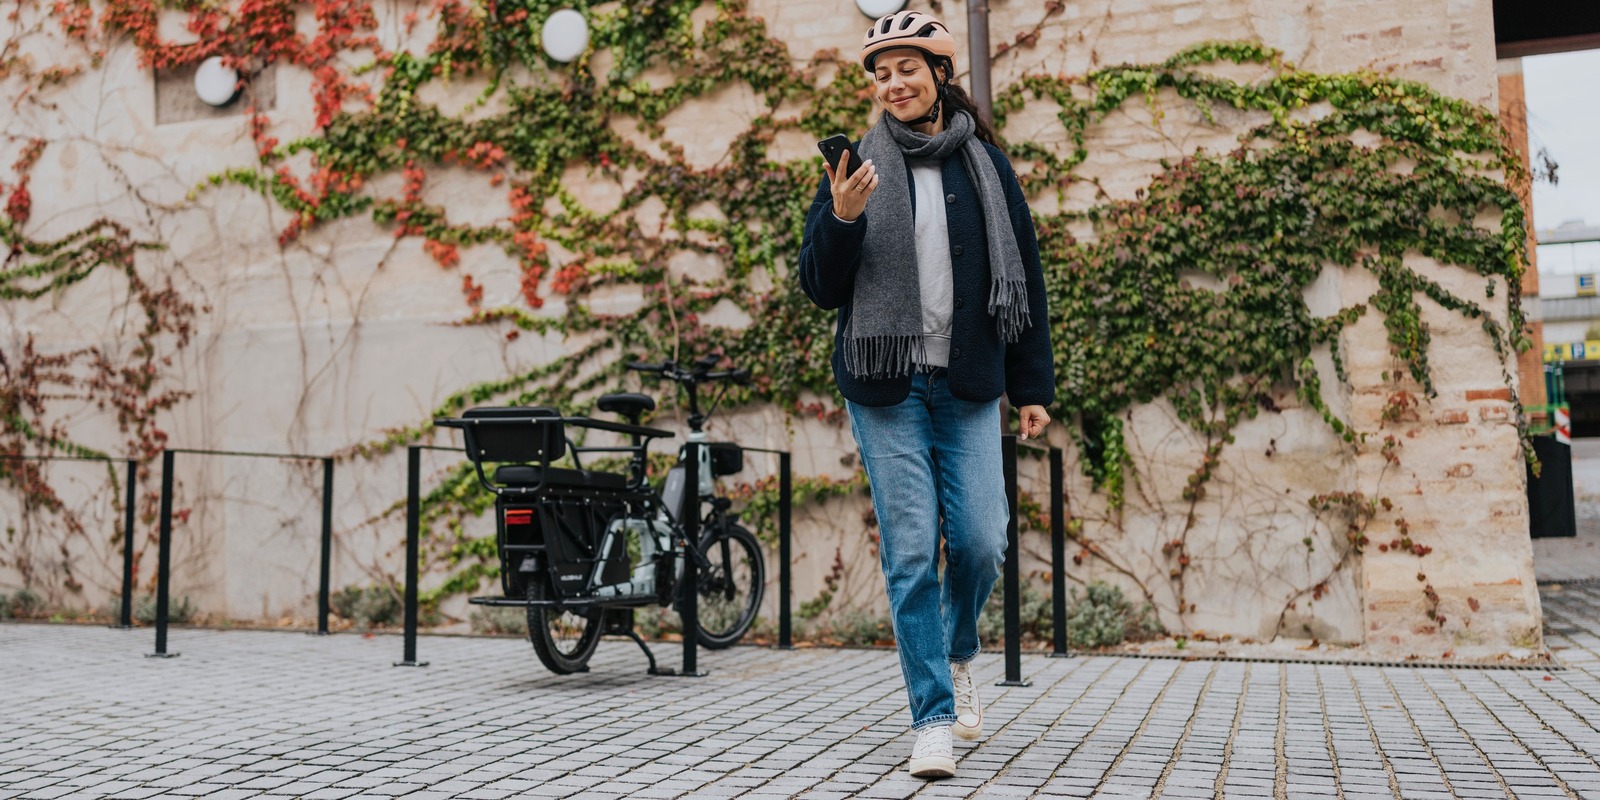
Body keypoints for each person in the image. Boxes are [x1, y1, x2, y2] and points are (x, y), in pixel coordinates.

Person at [796, 9, 1056, 781]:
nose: (894, 84)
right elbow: (819, 286)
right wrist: (842, 219)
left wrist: (1031, 386)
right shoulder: (855, 167)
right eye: (882, 74)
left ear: (940, 74)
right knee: (911, 552)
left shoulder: (986, 166)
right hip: (887, 385)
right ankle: (933, 719)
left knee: (980, 540)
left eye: (907, 69)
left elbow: (1024, 277)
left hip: (967, 380)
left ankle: (957, 647)